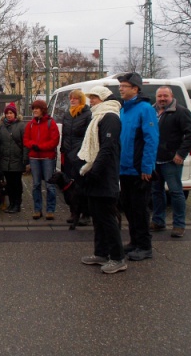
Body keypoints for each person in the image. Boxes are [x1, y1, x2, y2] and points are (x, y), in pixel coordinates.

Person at [78, 86, 126, 274]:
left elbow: (107, 148)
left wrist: (95, 171)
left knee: (107, 218)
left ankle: (118, 257)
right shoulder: (97, 117)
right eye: (90, 97)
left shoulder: (111, 118)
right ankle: (101, 253)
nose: (91, 101)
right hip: (95, 173)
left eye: (95, 97)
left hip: (105, 176)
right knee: (97, 217)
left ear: (104, 99)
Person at [117, 72, 159, 261]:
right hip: (124, 168)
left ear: (135, 89)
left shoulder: (145, 109)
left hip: (138, 170)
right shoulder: (124, 109)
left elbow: (151, 139)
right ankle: (134, 241)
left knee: (140, 209)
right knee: (128, 207)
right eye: (120, 86)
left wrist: (147, 167)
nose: (120, 89)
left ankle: (144, 246)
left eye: (124, 86)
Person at [150, 86, 191, 238]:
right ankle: (158, 221)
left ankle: (179, 225)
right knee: (156, 192)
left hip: (172, 160)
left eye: (165, 96)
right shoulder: (151, 112)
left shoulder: (181, 112)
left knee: (176, 193)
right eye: (159, 96)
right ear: (156, 97)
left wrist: (181, 153)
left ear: (171, 96)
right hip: (154, 160)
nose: (162, 99)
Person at [23, 99, 60, 220]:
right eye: (33, 108)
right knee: (36, 184)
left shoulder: (51, 123)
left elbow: (54, 140)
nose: (34, 110)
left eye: (37, 108)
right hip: (34, 158)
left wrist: (40, 147)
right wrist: (32, 145)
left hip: (47, 158)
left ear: (42, 110)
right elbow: (26, 139)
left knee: (50, 185)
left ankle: (50, 210)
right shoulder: (30, 124)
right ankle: (37, 209)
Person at [59, 89, 92, 226]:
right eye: (71, 98)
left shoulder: (87, 114)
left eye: (75, 98)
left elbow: (88, 136)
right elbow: (65, 134)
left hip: (80, 154)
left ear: (81, 100)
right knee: (70, 187)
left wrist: (82, 152)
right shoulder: (67, 115)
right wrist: (63, 150)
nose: (72, 100)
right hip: (68, 154)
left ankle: (86, 213)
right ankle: (74, 212)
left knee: (82, 186)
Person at [0, 102, 28, 214]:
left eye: (11, 113)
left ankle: (17, 204)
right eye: (7, 113)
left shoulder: (21, 126)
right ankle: (11, 204)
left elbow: (25, 144)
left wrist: (25, 159)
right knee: (9, 184)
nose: (9, 115)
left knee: (16, 184)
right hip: (5, 161)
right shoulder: (1, 127)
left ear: (15, 114)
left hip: (17, 160)